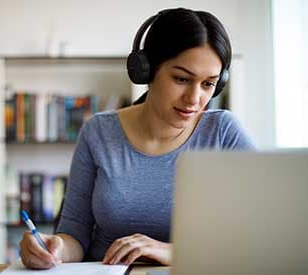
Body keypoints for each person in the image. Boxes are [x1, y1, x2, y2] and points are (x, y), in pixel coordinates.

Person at [19, 7, 255, 269]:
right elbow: (74, 235)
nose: (194, 99)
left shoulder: (222, 133)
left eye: (208, 84)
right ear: (147, 70)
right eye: (181, 78)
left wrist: (171, 251)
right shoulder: (98, 132)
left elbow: (259, 233)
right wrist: (54, 247)